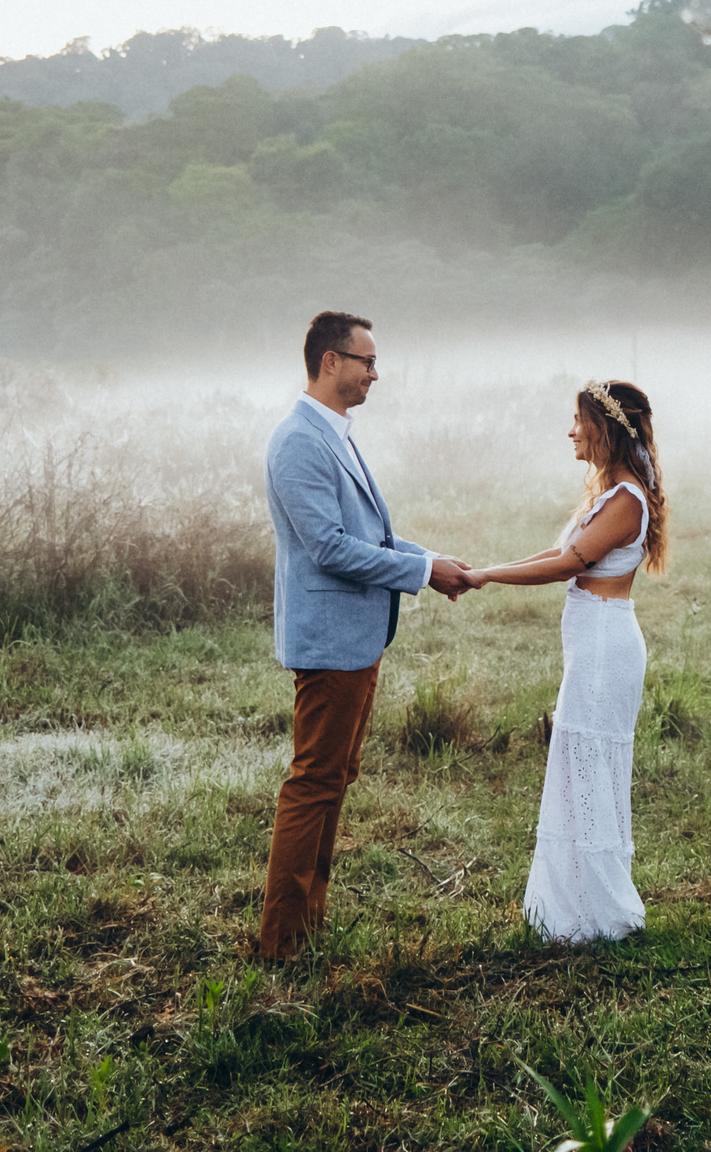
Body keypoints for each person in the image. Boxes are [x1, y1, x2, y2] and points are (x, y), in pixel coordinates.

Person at [257, 310, 475, 961]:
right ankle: (283, 941)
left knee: (334, 778)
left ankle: (308, 922)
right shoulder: (298, 440)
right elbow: (328, 547)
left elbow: (370, 535)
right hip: (329, 641)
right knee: (313, 782)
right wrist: (422, 572)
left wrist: (430, 561)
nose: (375, 374)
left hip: (357, 638)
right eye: (367, 361)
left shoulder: (335, 434)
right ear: (331, 361)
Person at [460, 378, 666, 944]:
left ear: (604, 429)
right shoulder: (609, 493)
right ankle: (575, 908)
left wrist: (486, 577)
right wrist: (485, 571)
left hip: (604, 647)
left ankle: (599, 912)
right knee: (580, 766)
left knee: (588, 766)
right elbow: (558, 552)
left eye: (579, 421)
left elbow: (569, 564)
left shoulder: (626, 501)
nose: (570, 431)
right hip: (591, 644)